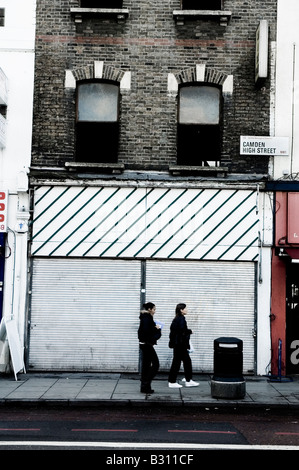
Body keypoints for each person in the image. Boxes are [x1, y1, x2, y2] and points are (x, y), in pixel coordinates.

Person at [168, 303, 199, 388]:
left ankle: (187, 380)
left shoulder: (177, 318)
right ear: (181, 310)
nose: (187, 310)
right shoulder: (181, 319)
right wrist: (190, 331)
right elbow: (182, 331)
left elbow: (175, 332)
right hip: (180, 344)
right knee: (179, 362)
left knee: (184, 362)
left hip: (178, 344)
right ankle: (173, 381)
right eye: (185, 308)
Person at [138, 302, 161, 394]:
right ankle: (146, 382)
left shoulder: (145, 317)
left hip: (143, 344)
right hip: (147, 344)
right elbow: (147, 333)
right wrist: (157, 329)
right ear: (149, 309)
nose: (155, 311)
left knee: (146, 365)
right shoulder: (147, 318)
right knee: (156, 364)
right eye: (154, 309)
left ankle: (145, 387)